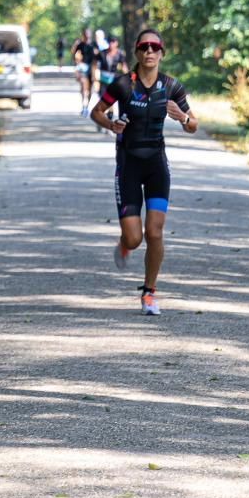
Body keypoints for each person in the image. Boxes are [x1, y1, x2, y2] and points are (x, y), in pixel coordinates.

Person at [90, 28, 197, 315]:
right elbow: (97, 112)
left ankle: (149, 293)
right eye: (144, 47)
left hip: (156, 166)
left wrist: (182, 117)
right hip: (128, 166)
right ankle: (125, 243)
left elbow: (193, 124)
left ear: (162, 53)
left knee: (155, 232)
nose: (149, 51)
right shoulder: (123, 84)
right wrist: (111, 125)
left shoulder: (171, 86)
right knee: (135, 238)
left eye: (155, 47)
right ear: (137, 51)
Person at [70, 27, 98, 117]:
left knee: (90, 89)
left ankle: (87, 106)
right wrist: (77, 65)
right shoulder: (80, 44)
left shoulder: (94, 44)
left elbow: (99, 56)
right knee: (83, 85)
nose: (87, 35)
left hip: (92, 68)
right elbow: (74, 55)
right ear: (83, 34)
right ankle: (83, 105)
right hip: (83, 68)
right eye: (86, 33)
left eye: (88, 33)